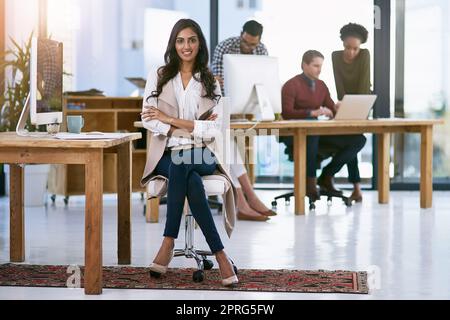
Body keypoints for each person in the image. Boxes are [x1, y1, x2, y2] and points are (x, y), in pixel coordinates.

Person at [140, 19, 238, 287]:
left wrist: (169, 120)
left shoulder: (210, 81)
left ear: (199, 44)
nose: (186, 46)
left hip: (203, 154)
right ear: (174, 43)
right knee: (185, 171)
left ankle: (167, 242)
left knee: (184, 165)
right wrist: (183, 129)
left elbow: (212, 129)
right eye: (181, 40)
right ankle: (220, 255)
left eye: (192, 40)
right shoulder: (159, 75)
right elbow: (148, 119)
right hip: (167, 153)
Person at [281, 50, 366, 201]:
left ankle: (327, 175)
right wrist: (311, 113)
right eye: (315, 66)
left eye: (321, 66)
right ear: (304, 65)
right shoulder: (291, 85)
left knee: (358, 139)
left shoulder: (321, 85)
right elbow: (287, 113)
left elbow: (331, 108)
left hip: (317, 133)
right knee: (313, 133)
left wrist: (338, 108)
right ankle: (310, 183)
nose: (319, 70)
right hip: (296, 134)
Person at [211, 20, 274, 221]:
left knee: (228, 144)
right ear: (241, 35)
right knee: (226, 144)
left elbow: (263, 82)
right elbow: (219, 82)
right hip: (221, 107)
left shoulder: (261, 50)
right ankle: (246, 198)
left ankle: (245, 199)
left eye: (253, 45)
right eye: (246, 43)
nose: (249, 48)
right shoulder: (226, 46)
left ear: (259, 41)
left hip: (245, 108)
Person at [332, 23, 371, 202]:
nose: (351, 52)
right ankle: (355, 188)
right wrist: (346, 105)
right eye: (348, 47)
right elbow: (339, 87)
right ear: (342, 44)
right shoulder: (335, 57)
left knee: (354, 141)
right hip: (344, 104)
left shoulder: (364, 55)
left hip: (363, 103)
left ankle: (354, 186)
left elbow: (364, 84)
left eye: (355, 48)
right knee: (353, 142)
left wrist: (359, 108)